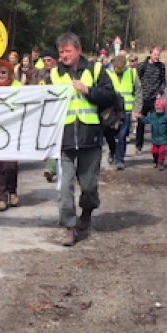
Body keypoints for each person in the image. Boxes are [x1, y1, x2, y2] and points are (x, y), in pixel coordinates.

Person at [50, 32, 115, 246]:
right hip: (65, 139)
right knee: (65, 186)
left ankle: (87, 211)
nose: (64, 55)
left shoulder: (95, 69)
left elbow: (110, 96)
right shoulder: (54, 75)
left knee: (88, 185)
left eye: (68, 51)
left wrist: (87, 90)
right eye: (61, 52)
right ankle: (70, 226)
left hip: (90, 137)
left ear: (78, 50)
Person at [0, 59, 22, 212]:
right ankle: (1, 198)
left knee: (10, 165)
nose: (1, 75)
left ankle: (12, 191)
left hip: (12, 131)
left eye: (4, 72)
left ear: (10, 73)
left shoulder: (18, 87)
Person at [106, 55, 142, 170]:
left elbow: (138, 92)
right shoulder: (107, 73)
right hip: (111, 111)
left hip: (126, 110)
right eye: (117, 69)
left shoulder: (132, 73)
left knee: (122, 136)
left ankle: (119, 160)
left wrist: (137, 110)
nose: (119, 71)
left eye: (121, 69)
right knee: (109, 135)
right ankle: (112, 150)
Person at [32, 49, 59, 181]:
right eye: (44, 60)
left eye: (49, 60)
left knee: (55, 139)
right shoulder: (38, 74)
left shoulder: (61, 73)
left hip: (57, 111)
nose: (47, 63)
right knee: (46, 139)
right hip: (42, 111)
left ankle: (51, 168)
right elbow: (31, 89)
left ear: (56, 61)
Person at [135, 46, 167, 156]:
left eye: (158, 55)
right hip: (142, 99)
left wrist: (160, 92)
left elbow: (163, 82)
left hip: (154, 99)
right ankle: (139, 146)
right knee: (141, 124)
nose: (157, 57)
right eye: (155, 55)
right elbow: (136, 81)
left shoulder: (161, 67)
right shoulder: (142, 66)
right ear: (150, 54)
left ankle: (156, 149)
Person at [136, 97, 167, 171]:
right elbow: (146, 120)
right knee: (154, 151)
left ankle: (161, 163)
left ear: (164, 108)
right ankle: (155, 160)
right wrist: (140, 117)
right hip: (155, 138)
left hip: (163, 138)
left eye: (160, 109)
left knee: (161, 151)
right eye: (157, 109)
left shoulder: (166, 117)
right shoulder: (153, 116)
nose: (159, 110)